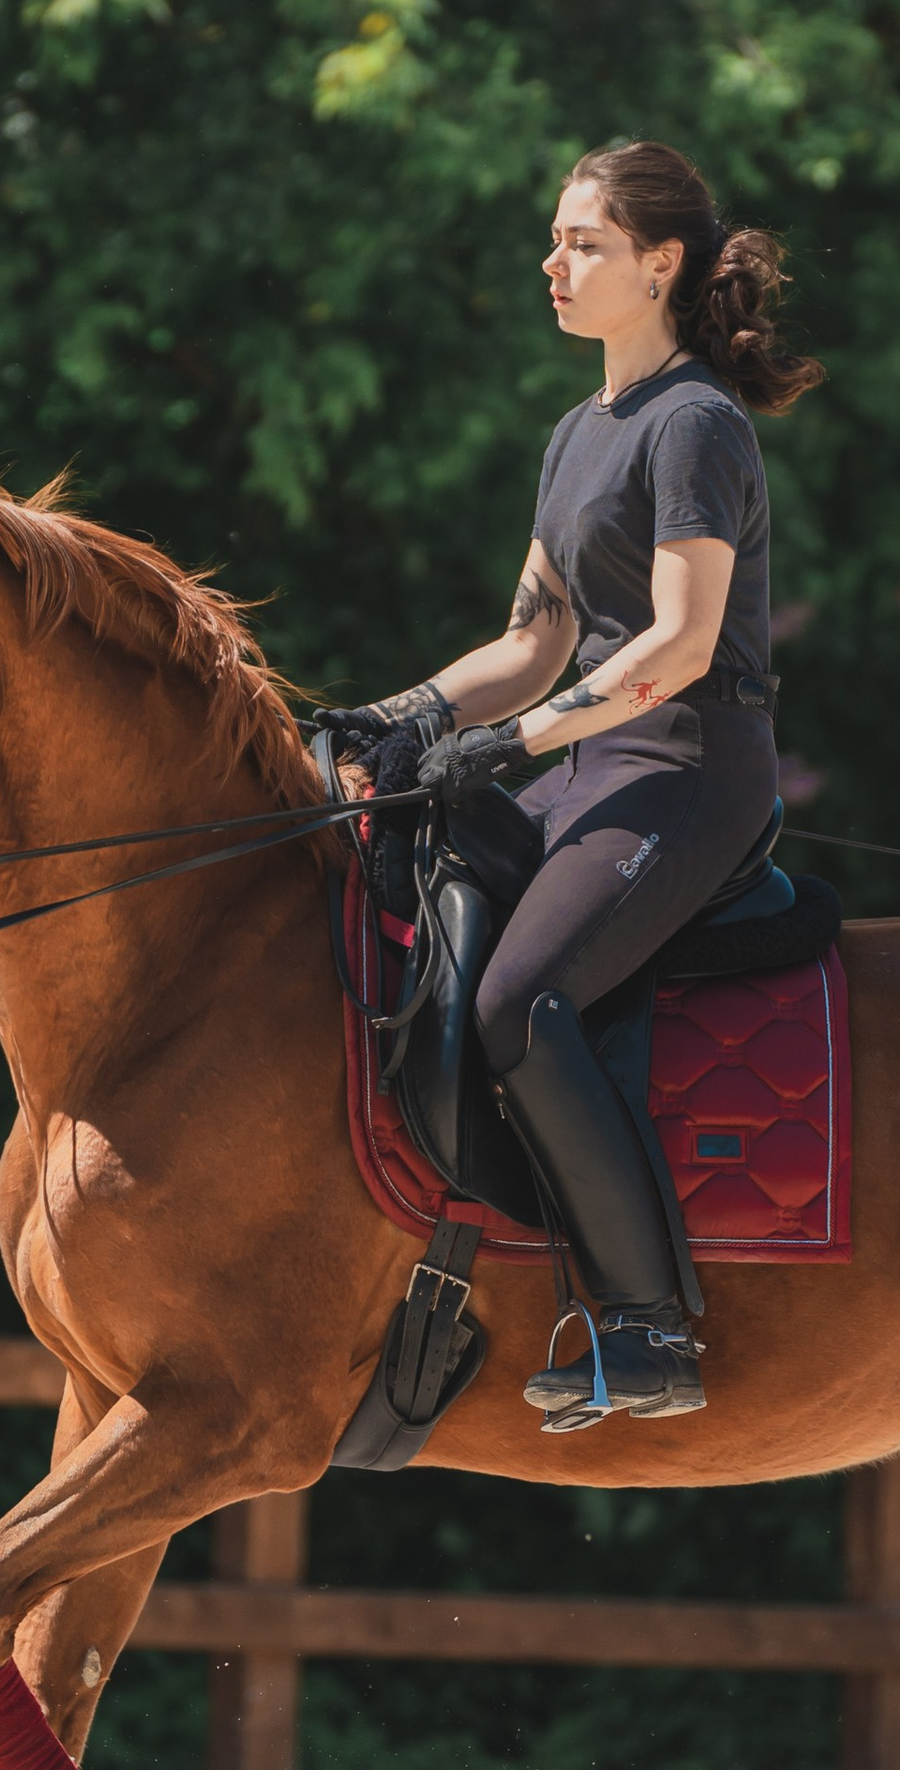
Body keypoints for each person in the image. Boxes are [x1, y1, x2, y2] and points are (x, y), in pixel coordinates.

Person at [327, 141, 823, 1427]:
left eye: (582, 244)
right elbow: (535, 637)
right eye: (555, 241)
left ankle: (649, 1330)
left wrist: (515, 743)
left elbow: (679, 646)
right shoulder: (577, 432)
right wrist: (399, 717)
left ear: (659, 265)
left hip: (682, 769)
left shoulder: (696, 422)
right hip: (582, 757)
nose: (553, 264)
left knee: (520, 996)